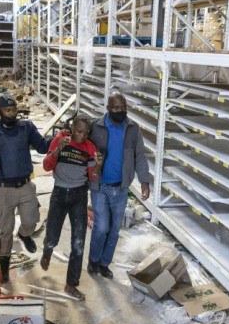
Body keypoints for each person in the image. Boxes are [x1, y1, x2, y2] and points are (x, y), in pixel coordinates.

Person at [0, 93, 51, 282]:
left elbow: (42, 147)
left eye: (14, 109)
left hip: (25, 185)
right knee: (5, 230)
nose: (11, 113)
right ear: (0, 111)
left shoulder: (27, 127)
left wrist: (60, 137)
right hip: (3, 189)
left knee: (31, 220)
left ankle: (25, 235)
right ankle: (5, 270)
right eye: (7, 110)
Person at [39, 116, 103, 301]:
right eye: (78, 131)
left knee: (78, 242)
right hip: (59, 193)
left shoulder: (90, 148)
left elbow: (94, 177)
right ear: (72, 128)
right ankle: (47, 251)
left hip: (79, 196)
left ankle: (71, 284)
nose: (81, 135)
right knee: (52, 235)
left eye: (85, 132)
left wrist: (98, 165)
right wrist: (58, 149)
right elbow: (46, 165)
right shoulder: (61, 139)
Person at [87, 92, 150, 279]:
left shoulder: (132, 129)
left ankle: (105, 264)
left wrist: (144, 181)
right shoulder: (95, 127)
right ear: (107, 108)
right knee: (101, 227)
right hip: (100, 187)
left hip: (121, 188)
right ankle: (94, 260)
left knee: (114, 230)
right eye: (115, 107)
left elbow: (140, 156)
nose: (120, 111)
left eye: (123, 107)